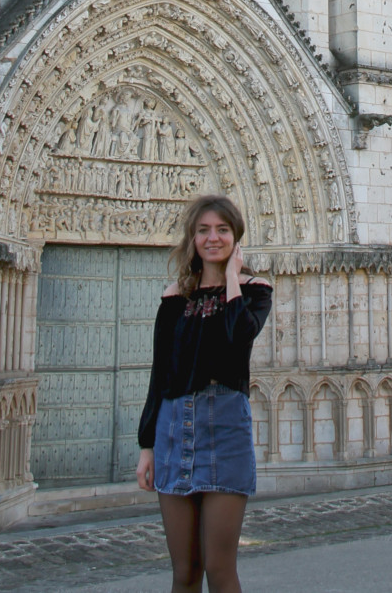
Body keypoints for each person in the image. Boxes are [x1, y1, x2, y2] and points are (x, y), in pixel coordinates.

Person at [136, 194, 273, 593]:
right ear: (192, 238)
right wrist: (147, 447)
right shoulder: (174, 297)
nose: (213, 238)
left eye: (222, 230)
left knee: (219, 567)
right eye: (203, 230)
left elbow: (239, 338)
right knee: (185, 571)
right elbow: (160, 375)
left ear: (236, 237)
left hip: (226, 426)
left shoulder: (255, 291)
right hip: (174, 429)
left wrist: (231, 276)